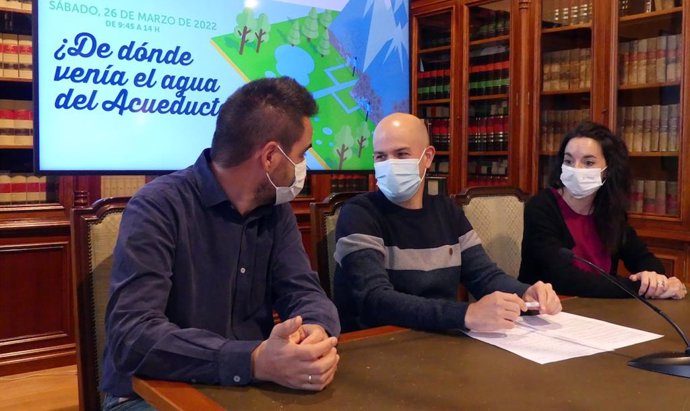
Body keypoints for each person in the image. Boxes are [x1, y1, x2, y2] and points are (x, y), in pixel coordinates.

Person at [101, 77, 340, 411]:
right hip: (150, 393)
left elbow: (304, 292)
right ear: (270, 156)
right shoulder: (157, 206)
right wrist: (254, 360)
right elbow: (133, 336)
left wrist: (314, 332)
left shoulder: (276, 211)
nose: (304, 168)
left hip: (249, 389)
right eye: (302, 155)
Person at [333, 112, 561, 334]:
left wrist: (526, 294)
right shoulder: (359, 213)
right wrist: (466, 315)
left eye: (401, 154)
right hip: (379, 343)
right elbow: (375, 299)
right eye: (381, 157)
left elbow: (484, 276)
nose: (389, 164)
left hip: (441, 339)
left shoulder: (447, 211)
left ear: (428, 157)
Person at [519, 120, 687, 300]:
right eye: (568, 161)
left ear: (607, 170)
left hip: (601, 311)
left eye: (588, 162)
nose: (576, 169)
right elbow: (563, 278)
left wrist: (657, 281)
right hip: (551, 311)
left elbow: (644, 259)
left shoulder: (609, 209)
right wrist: (638, 287)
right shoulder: (541, 207)